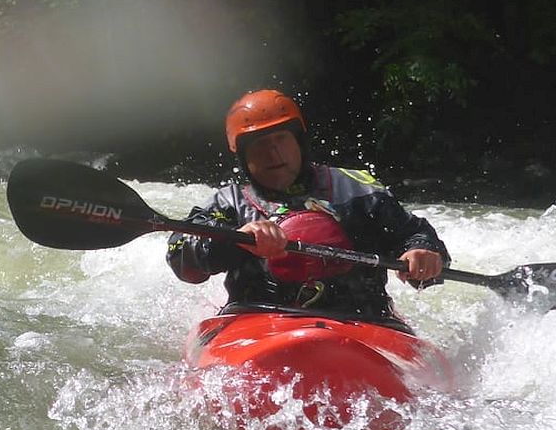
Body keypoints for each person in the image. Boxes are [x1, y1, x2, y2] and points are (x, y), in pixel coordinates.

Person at [165, 89, 448, 330]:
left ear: (299, 142)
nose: (274, 155)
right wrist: (236, 239)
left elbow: (417, 236)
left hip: (363, 324)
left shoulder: (358, 192)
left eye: (281, 140)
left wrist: (422, 253)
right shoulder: (228, 204)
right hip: (260, 323)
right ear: (243, 156)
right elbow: (181, 256)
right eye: (260, 145)